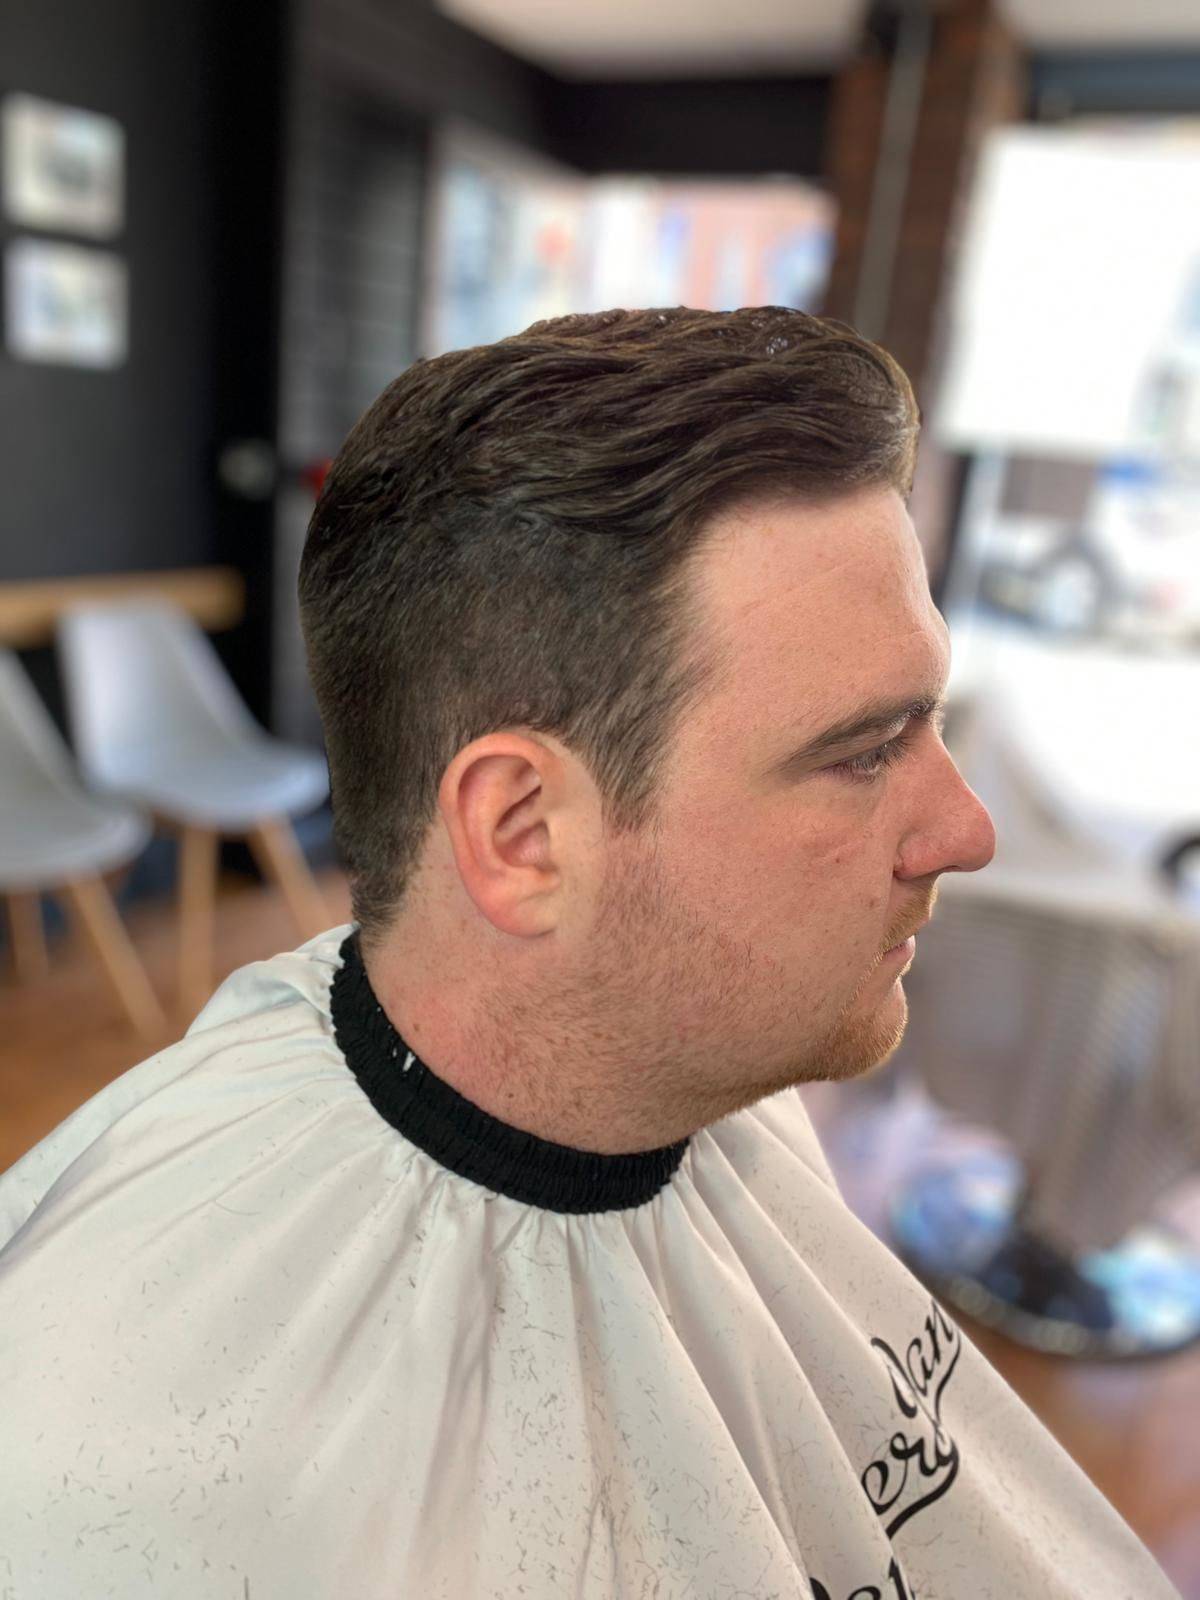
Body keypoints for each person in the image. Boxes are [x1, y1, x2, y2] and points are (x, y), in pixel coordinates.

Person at [0, 308, 1179, 1599]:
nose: (968, 831)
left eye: (933, 721)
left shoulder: (715, 1069)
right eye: (861, 751)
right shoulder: (135, 1470)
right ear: (524, 835)